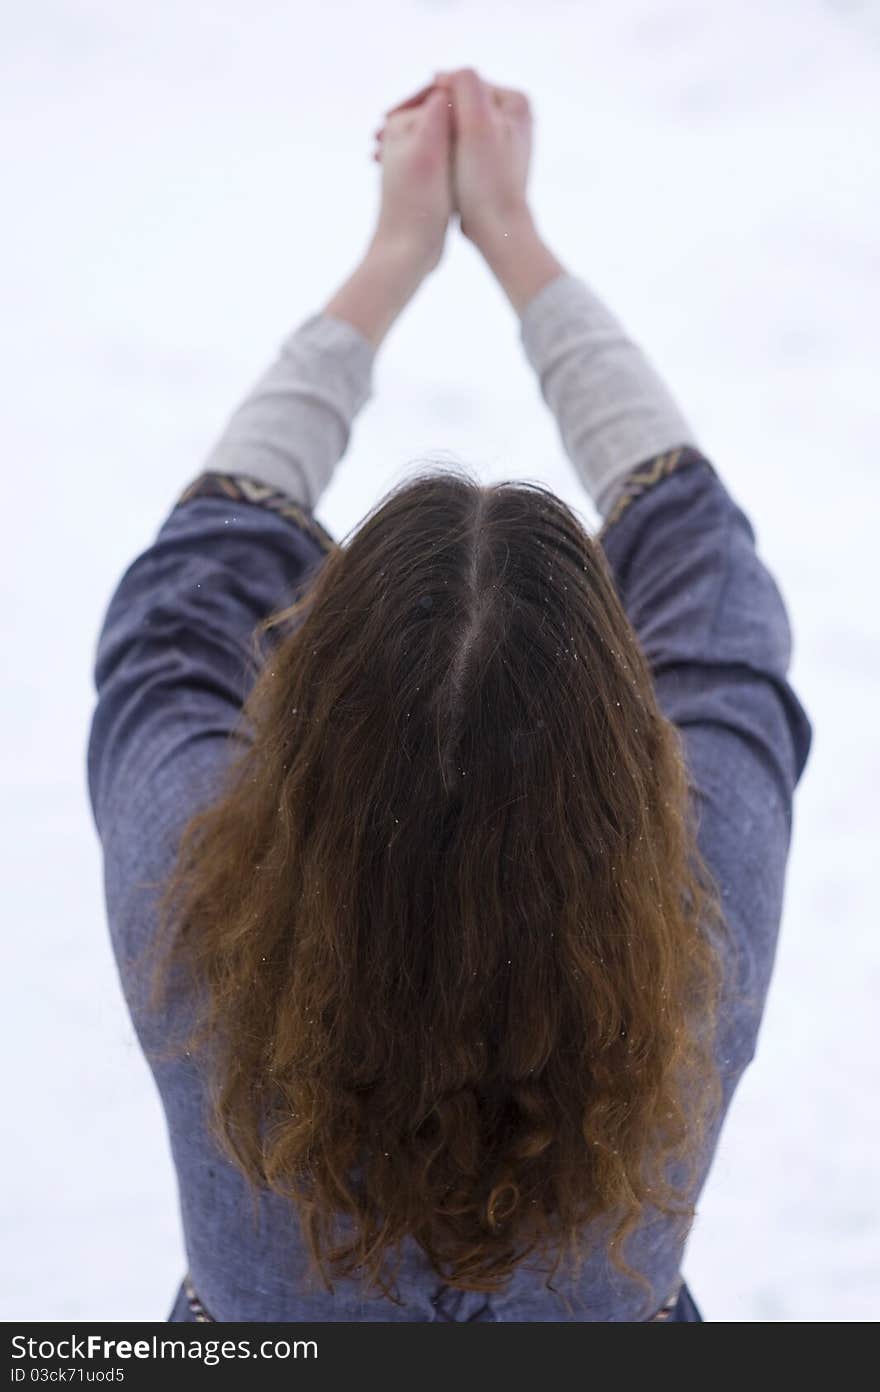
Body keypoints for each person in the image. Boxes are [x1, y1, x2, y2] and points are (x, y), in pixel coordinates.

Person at [86, 67, 813, 1323]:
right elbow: (705, 564)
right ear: (627, 761)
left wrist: (391, 259)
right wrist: (515, 242)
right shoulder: (702, 934)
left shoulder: (190, 918)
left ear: (307, 721)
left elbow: (183, 599)